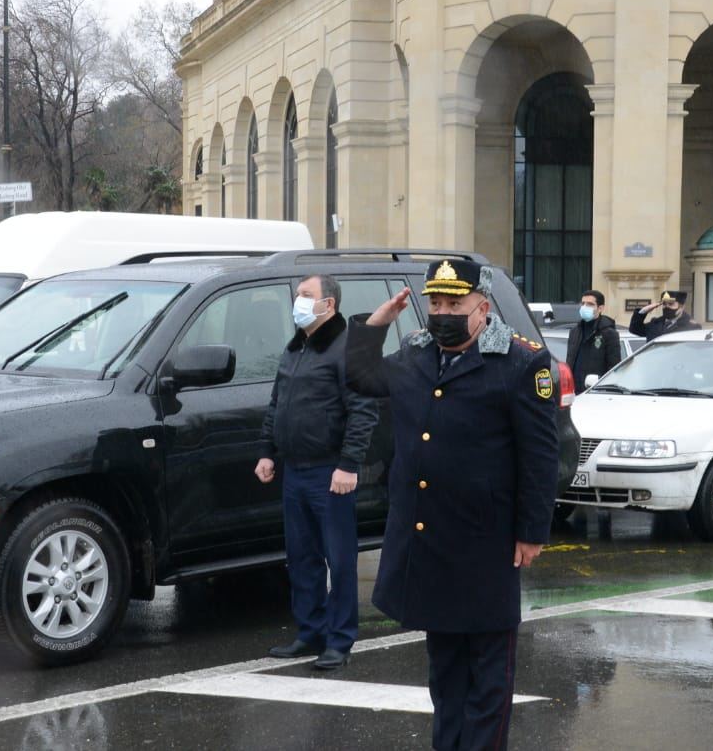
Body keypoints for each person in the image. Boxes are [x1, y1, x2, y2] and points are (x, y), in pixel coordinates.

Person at [344, 259, 558, 750]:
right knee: (444, 674)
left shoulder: (521, 364)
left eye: (454, 304)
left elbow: (540, 455)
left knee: (488, 676)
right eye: (435, 303)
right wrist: (374, 324)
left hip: (487, 543)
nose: (442, 313)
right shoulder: (416, 355)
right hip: (429, 539)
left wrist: (532, 530)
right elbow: (360, 378)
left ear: (482, 308)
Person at [256, 274, 379, 671]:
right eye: (297, 296)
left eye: (306, 296)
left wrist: (348, 466)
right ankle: (310, 632)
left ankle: (340, 640)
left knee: (339, 559)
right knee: (302, 557)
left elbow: (363, 412)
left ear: (329, 304)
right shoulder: (297, 347)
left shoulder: (346, 349)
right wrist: (267, 452)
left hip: (330, 473)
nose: (298, 301)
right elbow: (277, 404)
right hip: (295, 471)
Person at [567, 289, 621, 391]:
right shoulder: (575, 331)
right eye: (583, 303)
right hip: (574, 391)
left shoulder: (609, 333)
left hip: (595, 391)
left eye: (590, 304)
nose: (584, 307)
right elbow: (570, 360)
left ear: (600, 308)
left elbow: (614, 368)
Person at [629, 289, 701, 342]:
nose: (667, 307)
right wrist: (643, 311)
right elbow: (635, 329)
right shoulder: (655, 323)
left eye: (671, 304)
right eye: (664, 304)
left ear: (682, 307)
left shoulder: (691, 326)